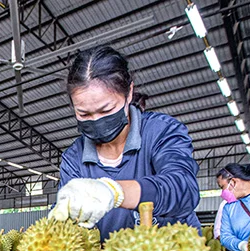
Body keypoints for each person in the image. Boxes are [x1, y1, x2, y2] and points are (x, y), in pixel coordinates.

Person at [48, 46, 200, 240]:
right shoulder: (74, 157)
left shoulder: (160, 131)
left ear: (129, 93)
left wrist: (115, 191)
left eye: (106, 110)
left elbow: (183, 188)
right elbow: (71, 219)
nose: (96, 120)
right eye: (83, 113)